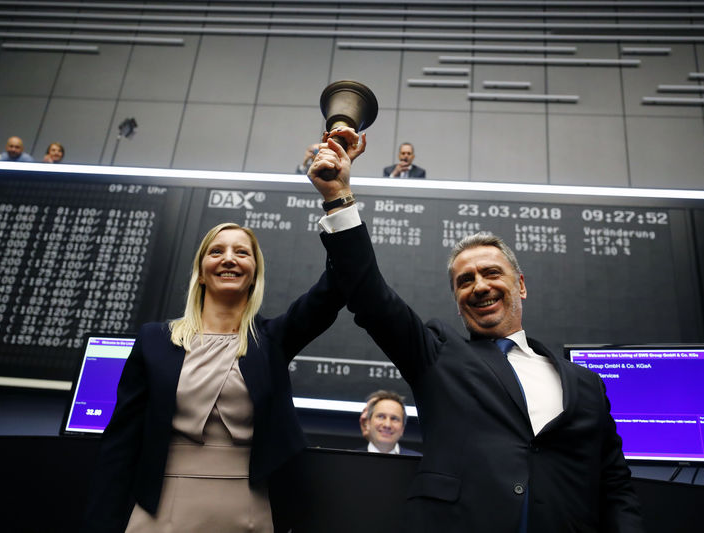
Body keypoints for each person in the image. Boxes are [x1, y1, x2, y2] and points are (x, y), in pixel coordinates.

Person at [308, 129, 644, 533]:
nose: (479, 286)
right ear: (457, 299)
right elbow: (371, 297)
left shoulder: (586, 385)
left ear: (520, 284)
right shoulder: (438, 356)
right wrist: (339, 196)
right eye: (464, 281)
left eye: (490, 273)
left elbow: (615, 487)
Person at [81, 222, 346, 533]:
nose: (229, 258)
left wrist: (338, 202)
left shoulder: (273, 340)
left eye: (242, 253)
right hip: (160, 511)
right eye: (217, 251)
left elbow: (339, 283)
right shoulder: (154, 340)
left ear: (255, 274)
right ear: (201, 272)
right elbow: (120, 445)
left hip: (249, 510)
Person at [360, 390, 421, 456]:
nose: (387, 425)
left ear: (402, 428)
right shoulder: (350, 459)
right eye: (381, 416)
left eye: (394, 418)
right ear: (368, 423)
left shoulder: (419, 461)